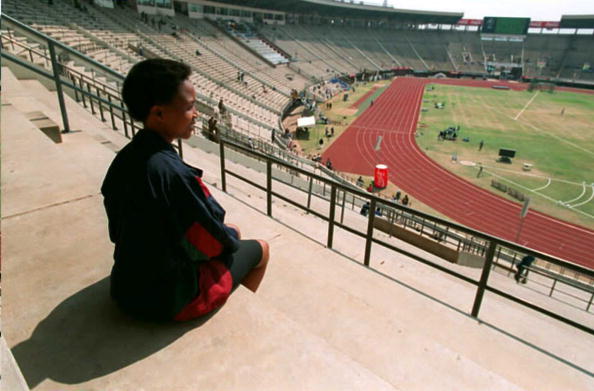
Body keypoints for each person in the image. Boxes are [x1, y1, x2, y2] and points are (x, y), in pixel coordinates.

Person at [101, 59, 270, 321]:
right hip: (168, 299)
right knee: (260, 248)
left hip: (125, 286)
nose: (196, 114)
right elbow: (213, 244)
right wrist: (229, 239)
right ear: (158, 113)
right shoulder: (173, 175)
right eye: (190, 107)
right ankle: (236, 314)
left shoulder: (123, 160)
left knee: (232, 231)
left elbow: (117, 232)